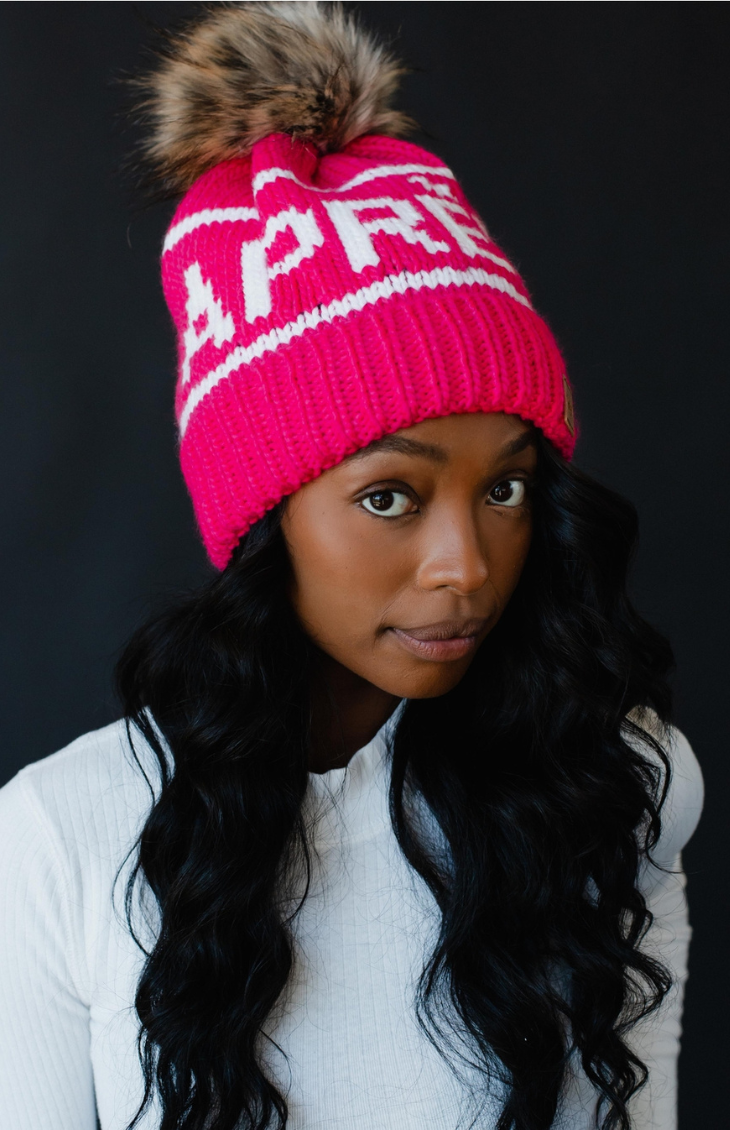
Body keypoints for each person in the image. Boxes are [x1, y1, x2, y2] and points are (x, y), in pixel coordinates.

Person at [0, 4, 704, 1130]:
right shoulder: (61, 834)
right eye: (389, 497)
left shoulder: (609, 780)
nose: (465, 567)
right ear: (263, 514)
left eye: (507, 488)